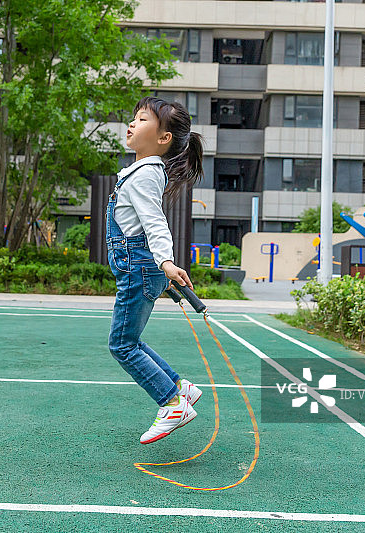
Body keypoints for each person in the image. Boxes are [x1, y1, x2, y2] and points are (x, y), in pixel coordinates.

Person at [106, 96, 205, 444]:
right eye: (133, 117)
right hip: (141, 268)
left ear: (163, 138)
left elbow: (154, 223)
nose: (132, 123)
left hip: (139, 267)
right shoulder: (141, 172)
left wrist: (165, 262)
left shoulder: (146, 174)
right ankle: (180, 386)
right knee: (130, 340)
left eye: (143, 119)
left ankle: (172, 403)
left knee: (121, 345)